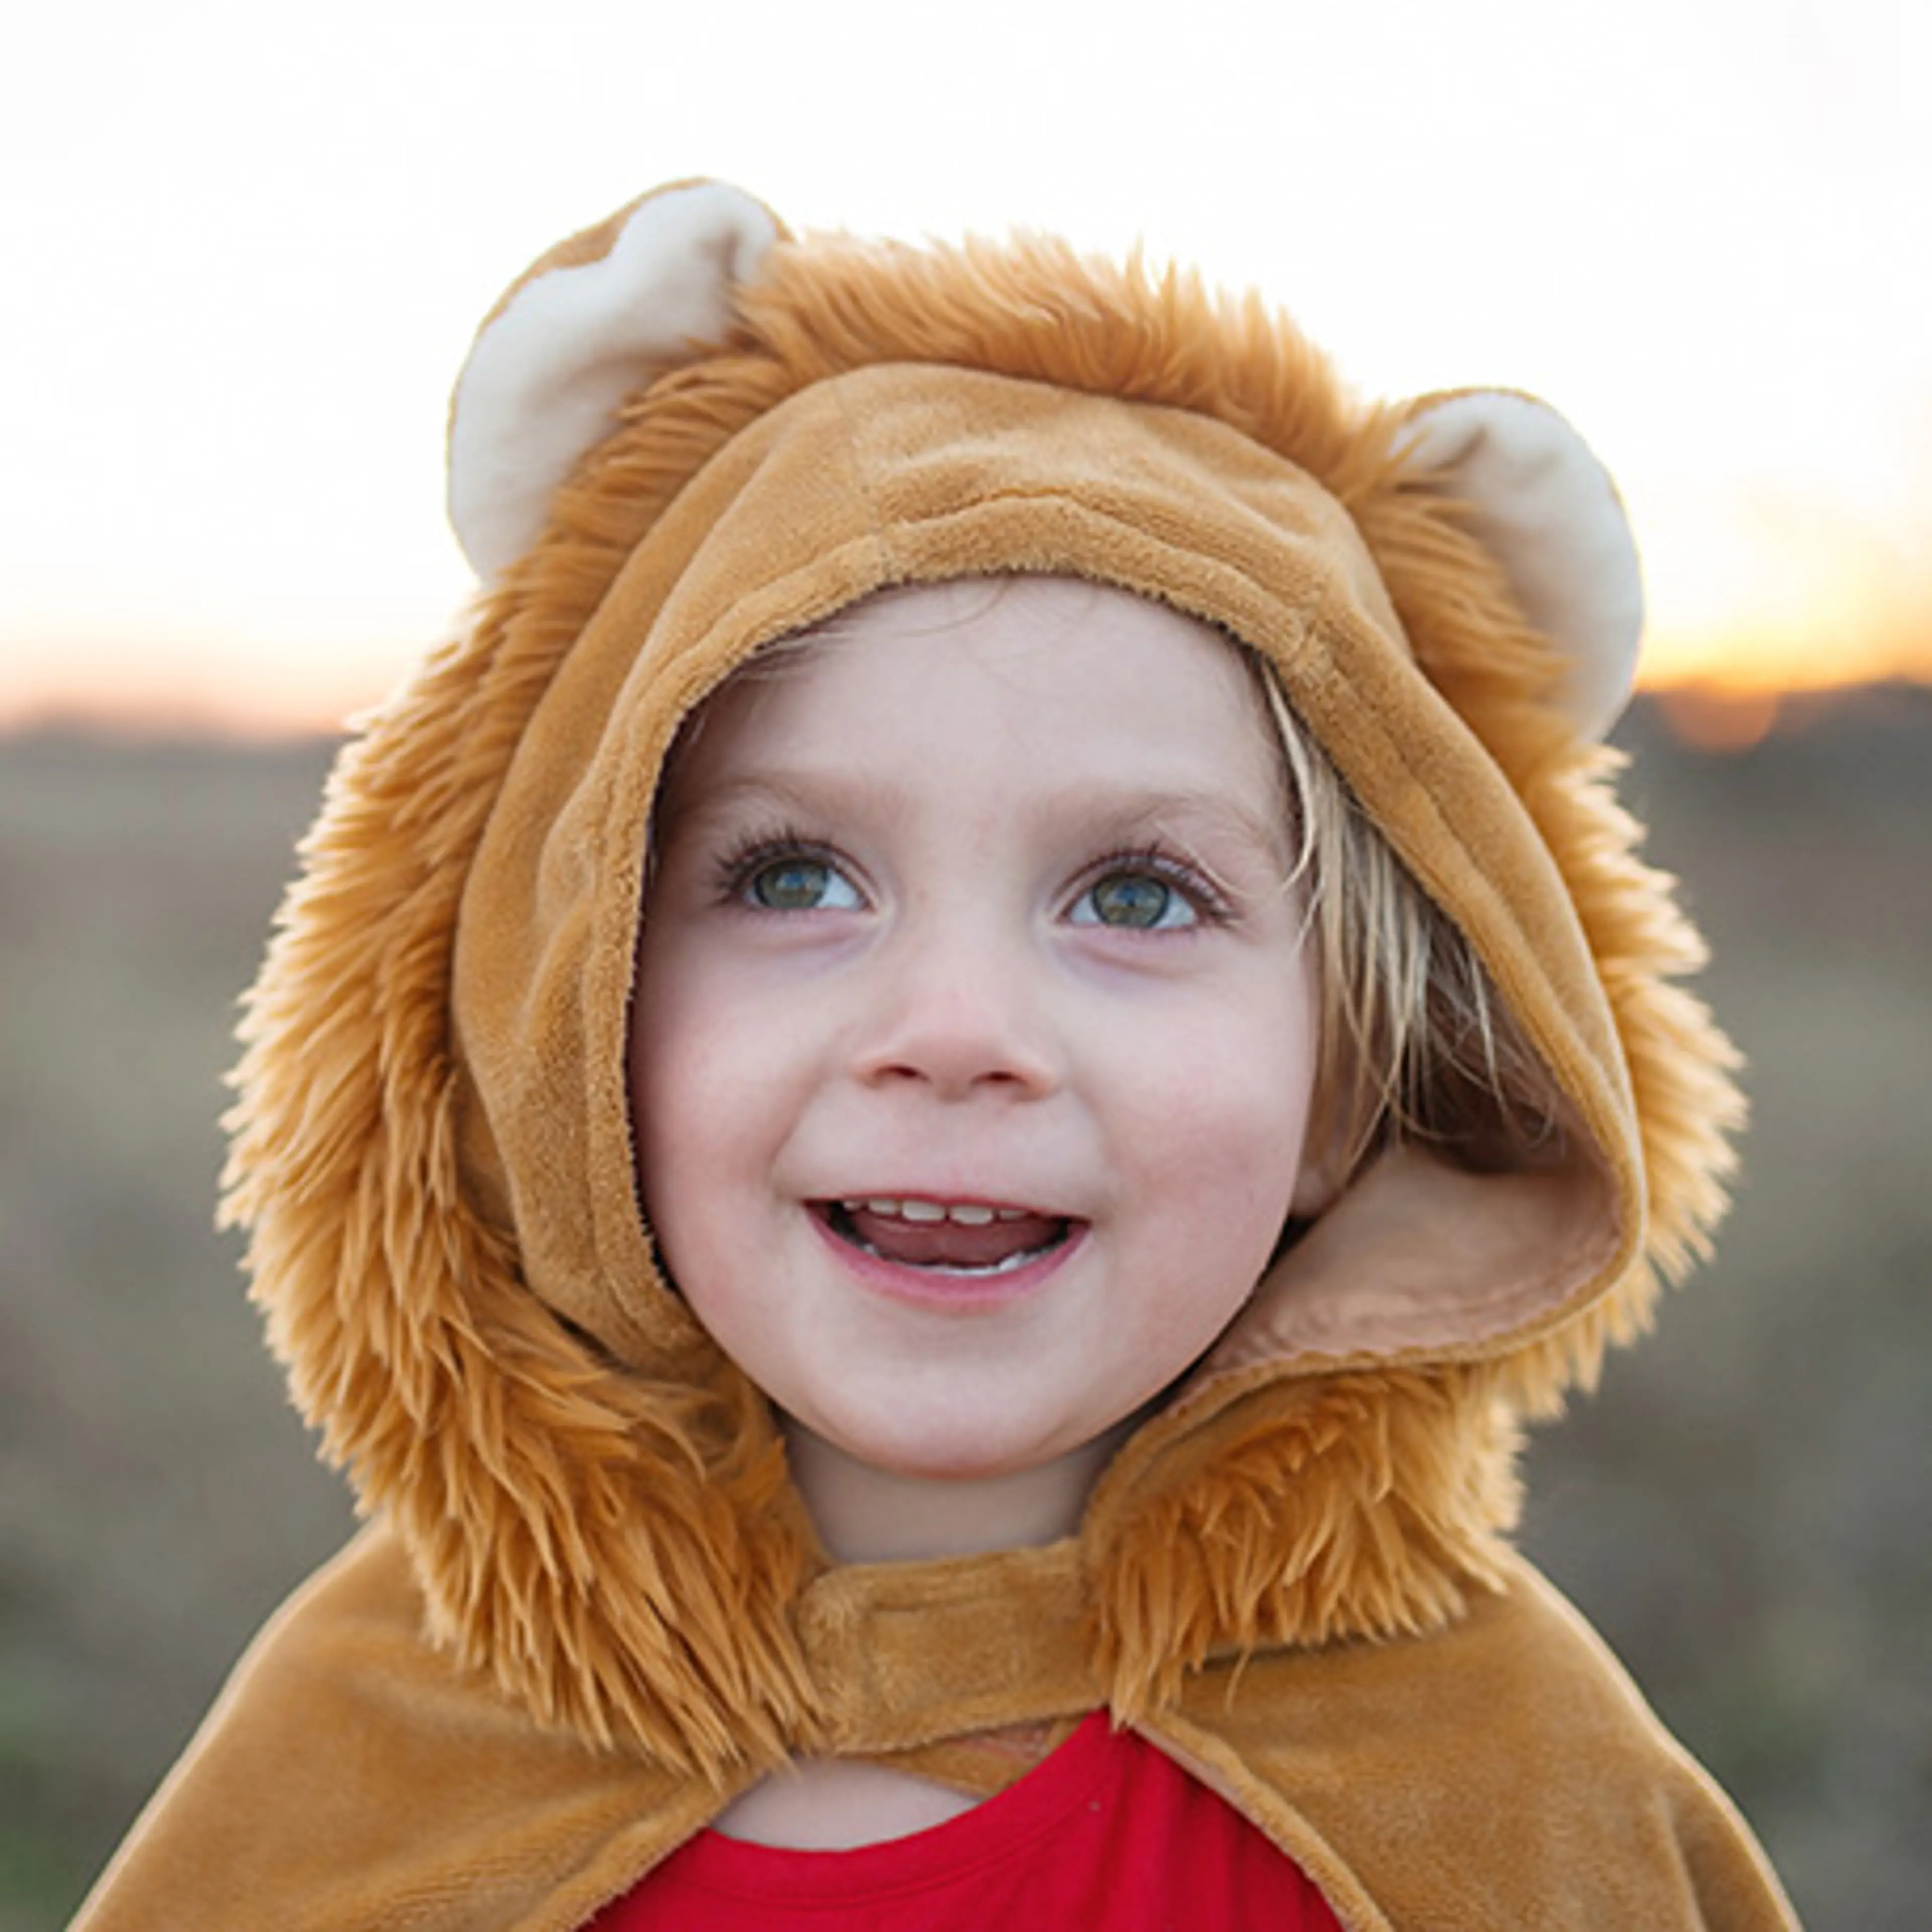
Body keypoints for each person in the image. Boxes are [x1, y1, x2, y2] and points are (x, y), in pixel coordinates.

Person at [73, 180, 1799, 1928]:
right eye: (795, 877)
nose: (958, 1036)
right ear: (571, 1015)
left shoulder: (1507, 1800)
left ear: (1342, 1100)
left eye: (1136, 895)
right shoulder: (352, 1774)